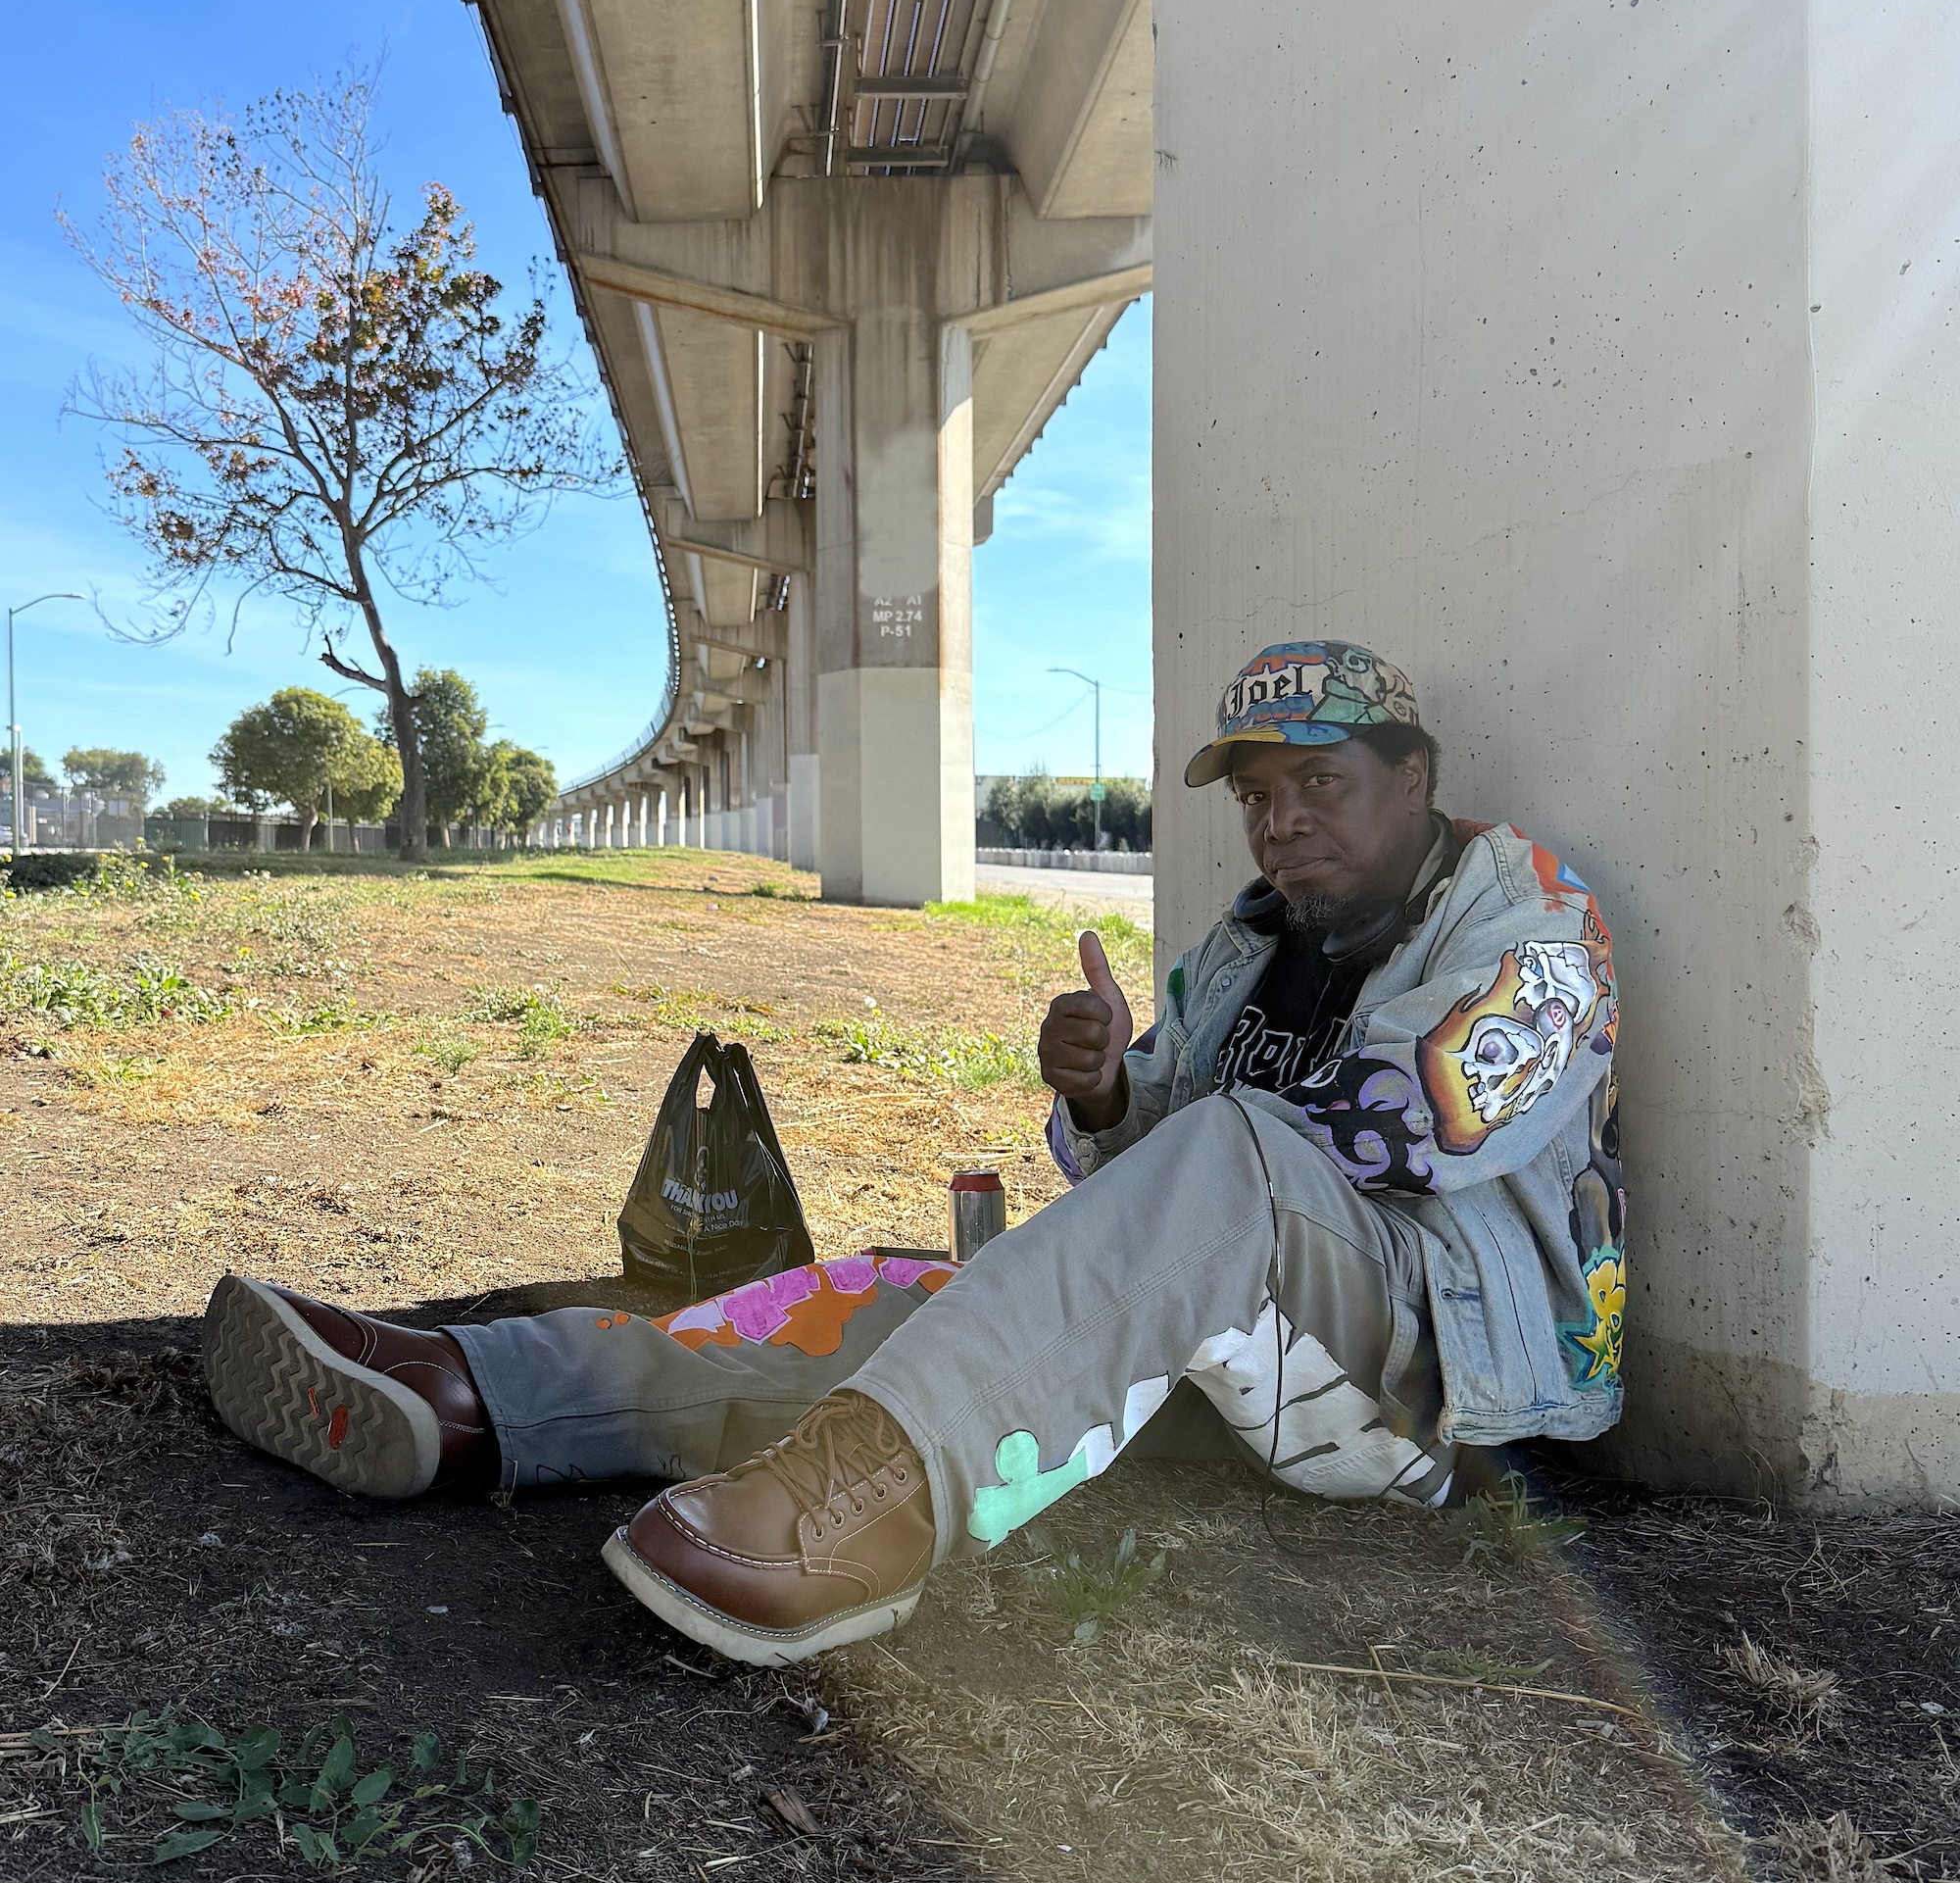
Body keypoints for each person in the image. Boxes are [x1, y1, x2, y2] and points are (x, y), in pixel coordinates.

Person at [202, 639, 1626, 1668]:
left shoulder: (1535, 922)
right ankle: (469, 1393)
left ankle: (873, 1500)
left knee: (1225, 1151)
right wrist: (1113, 1089)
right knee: (892, 1298)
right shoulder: (1255, 940)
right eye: (1258, 795)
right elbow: (1152, 1175)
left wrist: (1157, 1138)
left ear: (1415, 774)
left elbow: (1389, 1137)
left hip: (1435, 1394)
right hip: (1246, 1362)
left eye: (1320, 780)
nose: (1283, 817)